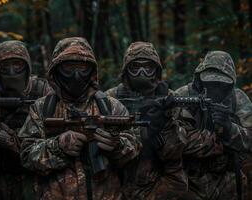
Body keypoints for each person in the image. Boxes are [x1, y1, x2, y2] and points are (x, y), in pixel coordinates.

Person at [19, 37, 141, 200]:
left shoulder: (110, 106)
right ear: (57, 70)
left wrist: (117, 145)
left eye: (82, 67)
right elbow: (26, 156)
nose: (76, 75)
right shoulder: (42, 108)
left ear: (91, 70)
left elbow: (134, 150)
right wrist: (58, 146)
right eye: (69, 67)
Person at [105, 42, 188, 199]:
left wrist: (165, 121)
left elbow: (179, 149)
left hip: (159, 183)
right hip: (118, 181)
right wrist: (142, 132)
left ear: (156, 70)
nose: (141, 72)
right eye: (135, 67)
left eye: (148, 67)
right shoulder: (110, 98)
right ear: (126, 70)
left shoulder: (169, 99)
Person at [175, 50, 252, 200]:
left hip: (228, 176)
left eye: (221, 85)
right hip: (189, 178)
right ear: (200, 81)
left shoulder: (238, 99)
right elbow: (173, 140)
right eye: (211, 84)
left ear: (230, 84)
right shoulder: (184, 96)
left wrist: (230, 128)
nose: (216, 90)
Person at [0, 40, 52, 200]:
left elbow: (53, 133)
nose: (11, 71)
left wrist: (10, 139)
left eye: (17, 65)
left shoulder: (43, 91)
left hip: (37, 175)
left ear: (26, 66)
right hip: (2, 176)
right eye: (5, 66)